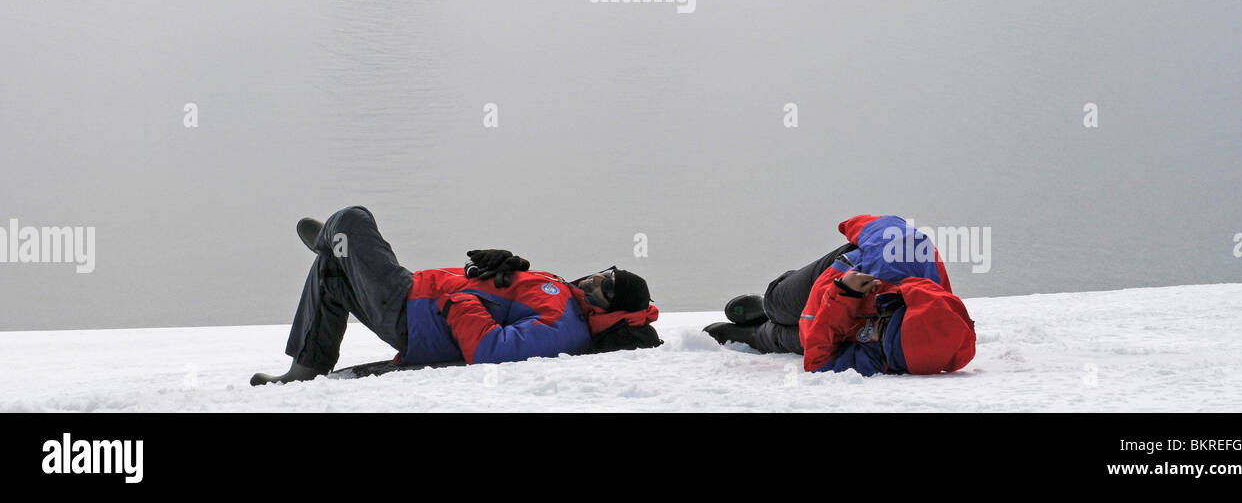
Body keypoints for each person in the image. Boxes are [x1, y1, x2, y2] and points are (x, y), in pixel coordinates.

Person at [251, 205, 658, 385]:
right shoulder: (564, 294)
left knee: (351, 220)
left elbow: (490, 349)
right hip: (418, 298)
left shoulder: (566, 329)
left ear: (610, 311)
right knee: (332, 271)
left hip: (415, 316)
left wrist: (459, 297)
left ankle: (331, 238)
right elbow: (500, 300)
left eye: (605, 290)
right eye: (605, 274)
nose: (594, 283)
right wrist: (486, 271)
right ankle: (304, 368)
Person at [704, 214, 975, 376]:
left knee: (780, 337)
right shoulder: (902, 252)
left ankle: (753, 335)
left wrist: (843, 296)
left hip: (821, 327)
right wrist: (854, 232)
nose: (873, 337)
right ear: (898, 304)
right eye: (883, 325)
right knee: (778, 301)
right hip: (830, 276)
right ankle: (767, 307)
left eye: (879, 344)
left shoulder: (890, 357)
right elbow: (883, 226)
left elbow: (817, 360)